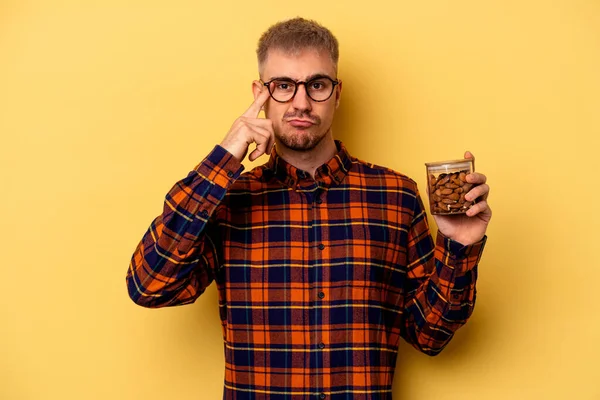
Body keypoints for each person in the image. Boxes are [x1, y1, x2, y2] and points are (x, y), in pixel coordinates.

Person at [126, 17, 491, 400]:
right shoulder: (227, 200)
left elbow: (430, 336)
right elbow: (149, 286)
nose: (302, 102)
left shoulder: (395, 197)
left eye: (317, 85)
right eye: (283, 86)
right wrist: (225, 157)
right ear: (260, 93)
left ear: (336, 93)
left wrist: (458, 247)